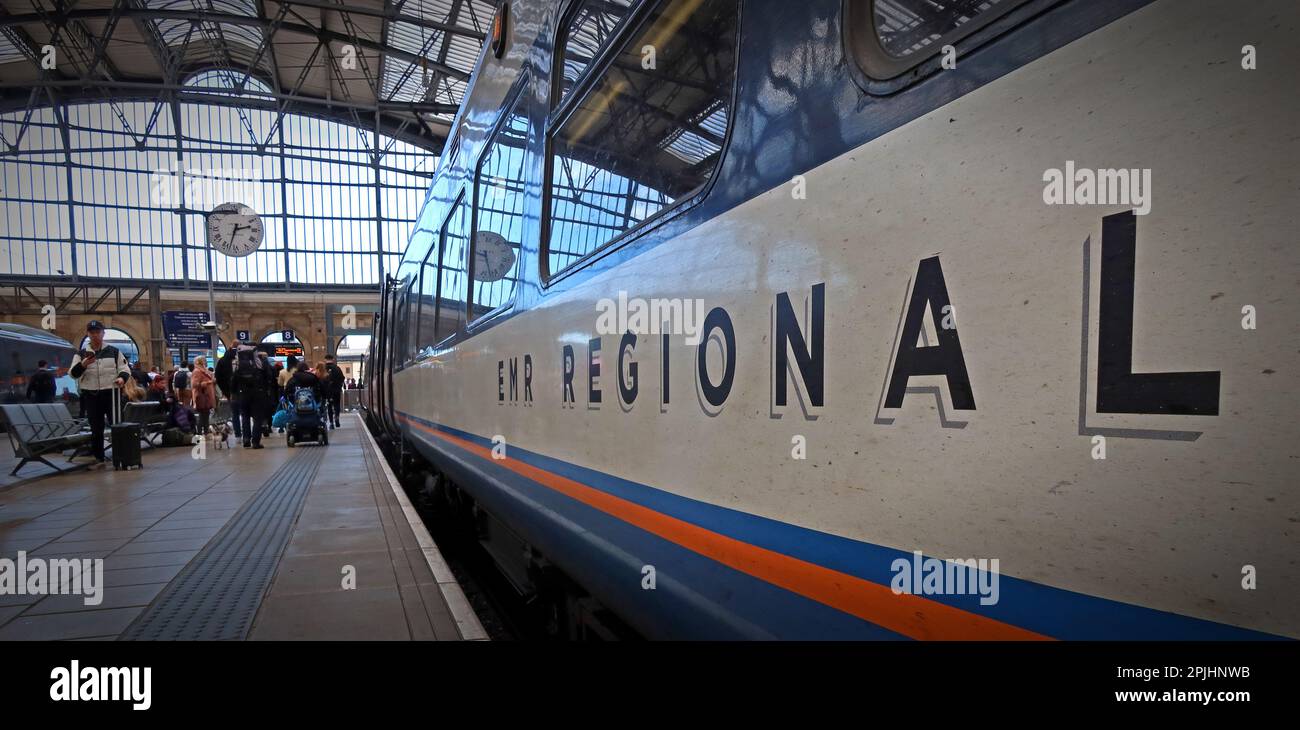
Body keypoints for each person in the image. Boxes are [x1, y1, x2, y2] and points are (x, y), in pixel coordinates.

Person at [69, 321, 130, 466]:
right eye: (92, 332)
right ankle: (99, 458)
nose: (95, 335)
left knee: (117, 425)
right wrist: (83, 364)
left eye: (98, 332)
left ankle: (120, 456)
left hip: (111, 393)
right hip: (91, 395)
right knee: (96, 427)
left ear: (103, 333)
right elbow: (73, 374)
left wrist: (122, 378)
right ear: (88, 334)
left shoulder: (114, 351)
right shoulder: (81, 354)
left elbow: (125, 368)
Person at [231, 345, 272, 449]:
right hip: (258, 394)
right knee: (257, 418)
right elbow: (269, 377)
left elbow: (233, 382)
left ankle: (246, 439)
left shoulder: (238, 364)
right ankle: (255, 442)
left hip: (243, 395)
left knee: (245, 417)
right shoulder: (259, 362)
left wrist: (234, 393)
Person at [214, 347, 240, 440]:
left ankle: (238, 435)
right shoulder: (239, 361)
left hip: (228, 390)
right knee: (245, 413)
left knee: (235, 413)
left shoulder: (222, 361)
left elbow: (217, 376)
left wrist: (223, 390)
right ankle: (247, 435)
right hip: (241, 390)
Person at [190, 355, 216, 435]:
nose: (206, 361)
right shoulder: (197, 371)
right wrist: (207, 383)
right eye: (204, 360)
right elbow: (194, 384)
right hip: (201, 396)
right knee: (202, 415)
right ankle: (200, 433)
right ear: (200, 362)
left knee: (206, 415)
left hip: (206, 396)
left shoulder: (205, 371)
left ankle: (206, 432)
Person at [323, 354, 344, 429]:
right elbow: (342, 378)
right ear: (333, 359)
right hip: (336, 390)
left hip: (327, 391)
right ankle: (337, 417)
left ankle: (331, 423)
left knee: (329, 406)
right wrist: (339, 386)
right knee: (337, 404)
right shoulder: (337, 368)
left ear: (325, 359)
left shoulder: (323, 368)